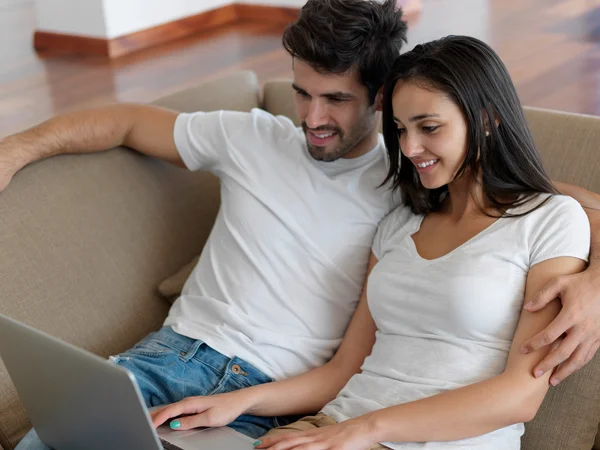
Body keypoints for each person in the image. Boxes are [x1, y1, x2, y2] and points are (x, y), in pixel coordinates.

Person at [0, 0, 597, 446]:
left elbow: (535, 199)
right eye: (300, 93)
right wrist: (16, 148)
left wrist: (595, 285)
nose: (311, 118)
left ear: (379, 96)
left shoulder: (420, 185)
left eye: (335, 99)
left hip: (314, 411)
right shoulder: (379, 202)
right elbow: (128, 121)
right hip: (203, 370)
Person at [151, 35, 591, 450]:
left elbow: (519, 396)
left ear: (488, 119)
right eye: (399, 128)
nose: (411, 147)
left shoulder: (550, 220)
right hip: (334, 430)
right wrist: (237, 403)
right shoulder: (399, 223)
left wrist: (365, 428)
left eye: (430, 127)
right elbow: (344, 369)